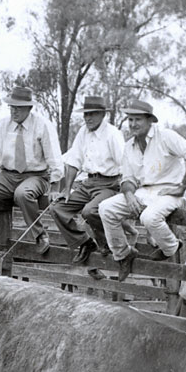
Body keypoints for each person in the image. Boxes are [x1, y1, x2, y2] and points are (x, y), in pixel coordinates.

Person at [98, 99, 186, 282]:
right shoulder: (129, 146)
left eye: (138, 119)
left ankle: (171, 247)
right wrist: (128, 195)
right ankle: (123, 254)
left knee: (149, 218)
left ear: (150, 120)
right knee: (106, 208)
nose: (133, 124)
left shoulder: (166, 136)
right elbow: (127, 178)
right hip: (142, 192)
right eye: (130, 120)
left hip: (169, 192)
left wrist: (183, 186)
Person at [0, 86, 63, 254]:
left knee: (23, 193)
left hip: (36, 177)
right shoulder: (3, 125)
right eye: (11, 107)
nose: (14, 111)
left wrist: (55, 187)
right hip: (7, 176)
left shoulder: (42, 125)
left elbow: (54, 158)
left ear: (29, 108)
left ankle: (39, 234)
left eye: (18, 107)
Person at [53, 95, 124, 265]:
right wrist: (67, 189)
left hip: (109, 183)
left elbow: (124, 164)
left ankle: (107, 241)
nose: (88, 118)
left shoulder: (113, 134)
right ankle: (85, 242)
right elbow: (74, 161)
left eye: (92, 114)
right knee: (58, 208)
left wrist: (125, 190)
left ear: (102, 114)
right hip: (88, 182)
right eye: (85, 114)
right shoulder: (83, 132)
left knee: (89, 211)